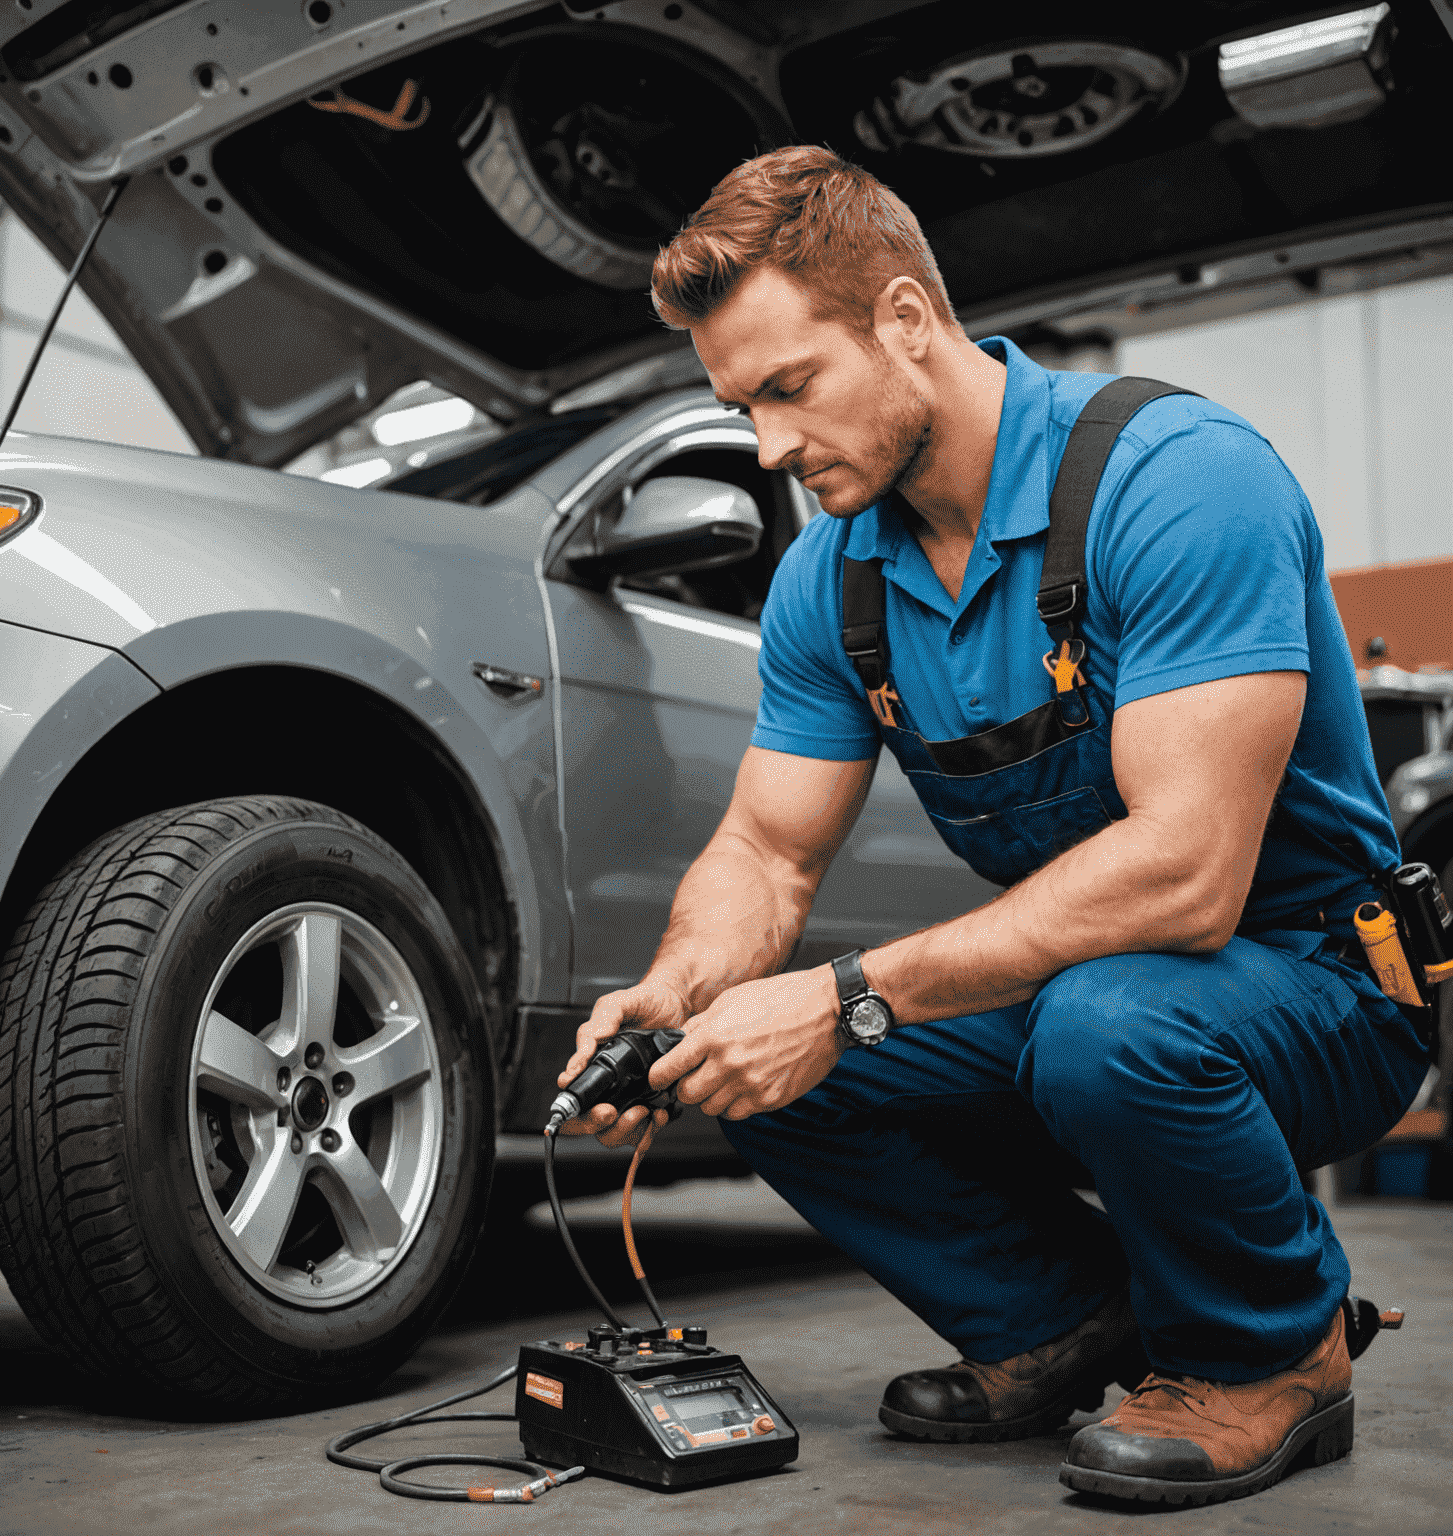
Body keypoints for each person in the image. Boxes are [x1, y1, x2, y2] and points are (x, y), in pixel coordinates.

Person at [557, 145, 1429, 1508]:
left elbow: (1190, 880)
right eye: (742, 405)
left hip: (1319, 984)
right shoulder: (828, 581)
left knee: (1102, 1024)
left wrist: (845, 996)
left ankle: (1274, 1355)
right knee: (754, 1064)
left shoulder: (1178, 479)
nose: (772, 447)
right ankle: (1066, 1326)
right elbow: (768, 853)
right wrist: (682, 993)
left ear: (906, 321)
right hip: (1084, 982)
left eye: (790, 388)